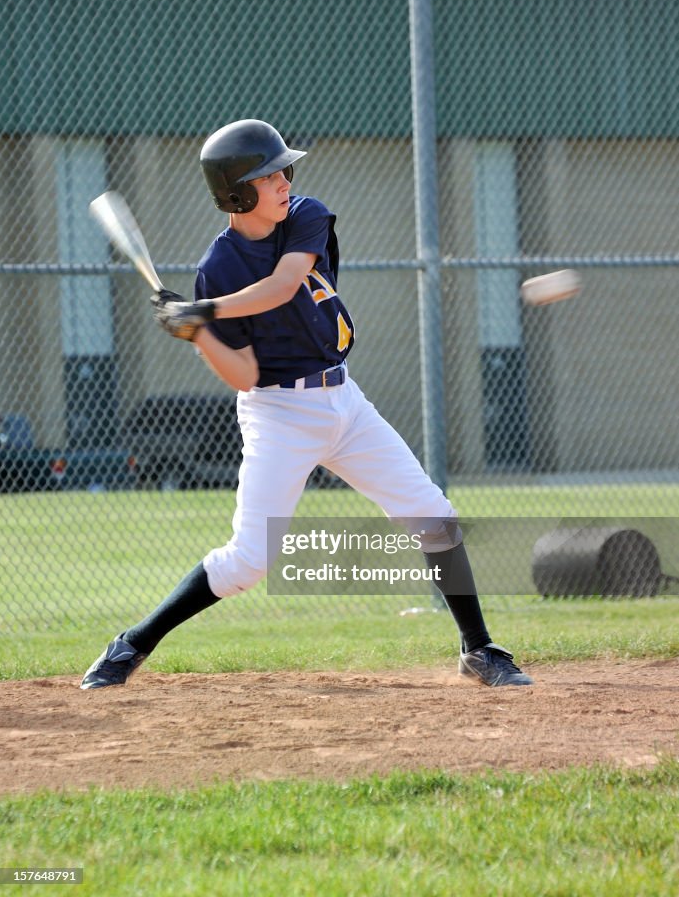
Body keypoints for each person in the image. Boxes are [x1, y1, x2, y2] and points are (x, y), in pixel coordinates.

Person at [80, 119, 533, 690]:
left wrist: (206, 312)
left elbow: (286, 284)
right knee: (247, 562)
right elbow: (244, 375)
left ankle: (479, 649)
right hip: (278, 414)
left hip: (344, 399)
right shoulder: (216, 270)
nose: (284, 181)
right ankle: (132, 644)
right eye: (268, 175)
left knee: (432, 515)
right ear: (237, 192)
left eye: (283, 170)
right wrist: (198, 335)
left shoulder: (305, 216)